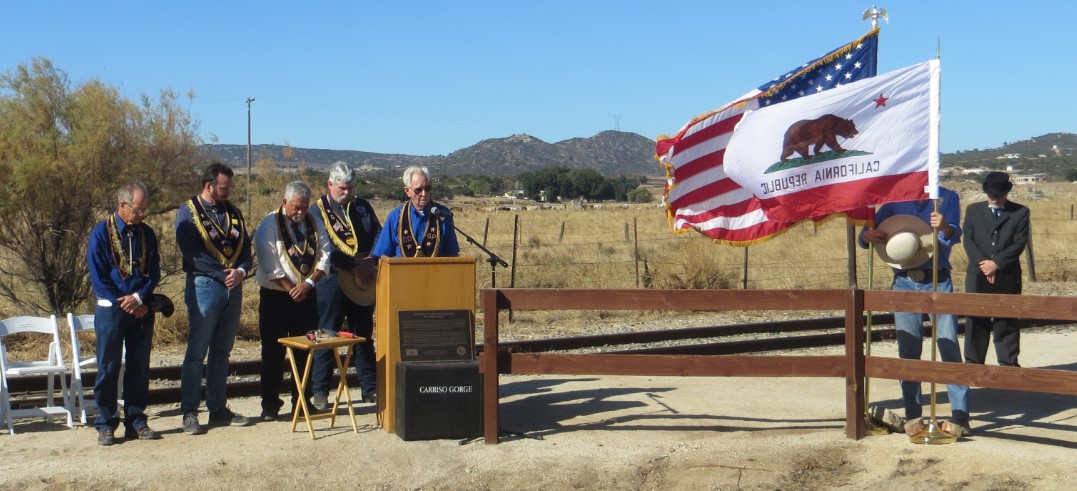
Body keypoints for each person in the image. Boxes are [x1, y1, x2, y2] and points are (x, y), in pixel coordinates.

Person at [858, 186, 971, 438]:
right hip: (903, 280)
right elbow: (868, 234)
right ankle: (913, 415)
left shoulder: (947, 198)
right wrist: (866, 237)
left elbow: (950, 237)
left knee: (948, 344)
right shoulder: (893, 197)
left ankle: (960, 414)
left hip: (937, 279)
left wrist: (944, 227)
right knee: (908, 350)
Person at [175, 162, 254, 434]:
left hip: (233, 286)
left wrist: (242, 271)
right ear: (208, 185)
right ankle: (189, 412)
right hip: (205, 286)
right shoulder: (188, 212)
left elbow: (245, 248)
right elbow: (193, 254)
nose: (228, 191)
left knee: (222, 351)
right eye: (224, 187)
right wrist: (223, 275)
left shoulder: (233, 213)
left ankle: (218, 408)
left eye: (230, 187)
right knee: (197, 352)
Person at [87, 182, 161, 445]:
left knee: (139, 367)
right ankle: (106, 423)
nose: (141, 215)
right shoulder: (100, 233)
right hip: (111, 310)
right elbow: (98, 277)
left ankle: (136, 420)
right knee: (108, 367)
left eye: (144, 211)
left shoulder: (147, 234)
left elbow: (154, 272)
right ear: (122, 205)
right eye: (138, 210)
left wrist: (140, 298)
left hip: (141, 308)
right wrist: (124, 302)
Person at [253, 181, 330, 421]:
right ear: (285, 202)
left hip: (307, 296)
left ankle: (302, 402)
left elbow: (326, 256)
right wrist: (291, 289)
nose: (300, 212)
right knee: (273, 353)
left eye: (305, 207)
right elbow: (269, 266)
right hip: (276, 297)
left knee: (305, 352)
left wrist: (308, 285)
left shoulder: (314, 222)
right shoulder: (269, 224)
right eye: (296, 207)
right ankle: (270, 406)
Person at [308, 163, 382, 410]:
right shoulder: (316, 211)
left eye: (351, 187)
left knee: (362, 336)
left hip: (363, 280)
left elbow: (379, 235)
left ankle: (369, 388)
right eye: (342, 188)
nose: (347, 192)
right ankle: (320, 392)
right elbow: (321, 246)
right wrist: (353, 264)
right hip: (332, 281)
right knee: (326, 335)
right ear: (330, 185)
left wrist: (371, 259)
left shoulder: (362, 207)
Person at [963, 171, 1030, 367]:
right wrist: (984, 265)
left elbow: (1019, 243)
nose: (994, 198)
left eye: (998, 195)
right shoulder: (973, 211)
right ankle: (973, 365)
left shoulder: (1020, 212)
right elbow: (968, 240)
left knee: (1006, 321)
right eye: (991, 194)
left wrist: (997, 264)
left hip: (1007, 274)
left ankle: (1008, 366)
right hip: (978, 272)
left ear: (1006, 193)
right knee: (976, 321)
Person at [363, 165, 459, 264]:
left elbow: (453, 254)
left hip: (435, 276)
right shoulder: (395, 217)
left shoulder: (443, 215)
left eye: (427, 188)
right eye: (418, 190)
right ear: (407, 191)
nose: (424, 194)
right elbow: (382, 256)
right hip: (402, 276)